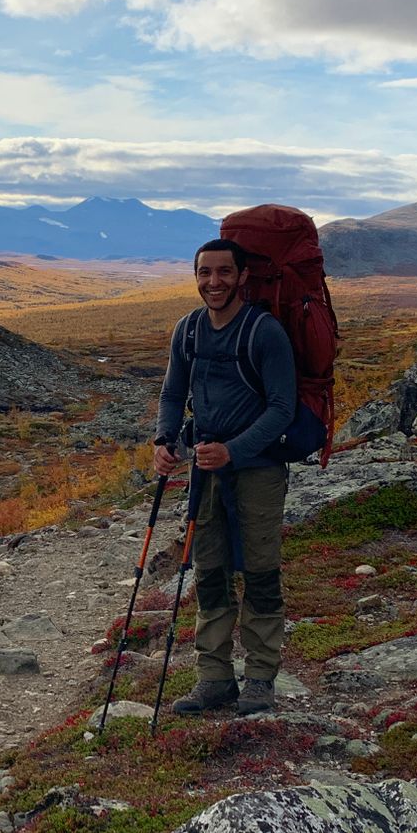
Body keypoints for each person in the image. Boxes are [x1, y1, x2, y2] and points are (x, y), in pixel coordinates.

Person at [151, 238, 297, 715]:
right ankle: (214, 678)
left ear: (243, 276)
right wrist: (165, 440)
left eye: (223, 272)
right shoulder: (188, 330)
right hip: (205, 469)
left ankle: (259, 679)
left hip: (258, 469)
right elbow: (173, 393)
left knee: (259, 571)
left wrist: (233, 450)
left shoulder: (264, 332)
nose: (213, 282)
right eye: (204, 273)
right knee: (209, 571)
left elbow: (282, 409)